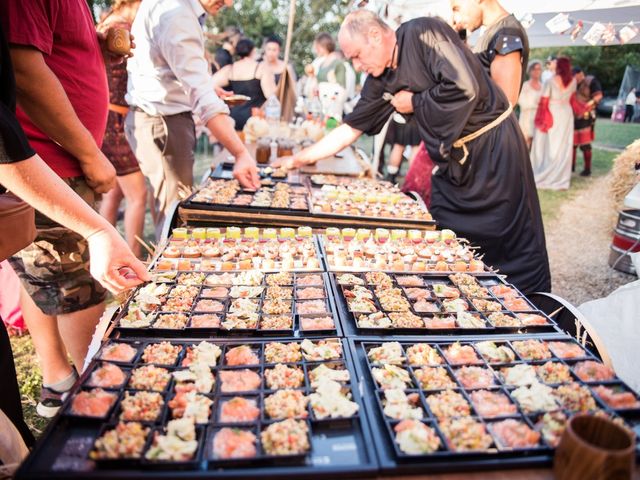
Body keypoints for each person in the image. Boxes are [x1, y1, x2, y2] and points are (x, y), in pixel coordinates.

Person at [276, 10, 550, 294]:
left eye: (357, 55)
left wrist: (416, 101)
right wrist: (299, 159)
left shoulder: (423, 33)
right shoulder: (379, 78)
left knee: (505, 237)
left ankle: (523, 302)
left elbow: (465, 87)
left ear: (375, 35)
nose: (357, 66)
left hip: (494, 151)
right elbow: (351, 128)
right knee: (448, 235)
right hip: (454, 162)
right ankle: (462, 302)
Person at [0, 20, 147, 446]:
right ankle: (98, 401)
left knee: (40, 272)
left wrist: (90, 51)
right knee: (75, 284)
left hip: (49, 160)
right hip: (47, 163)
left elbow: (43, 54)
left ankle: (59, 381)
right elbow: (23, 67)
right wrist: (87, 151)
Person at [126, 0, 260, 236]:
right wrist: (240, 154)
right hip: (164, 123)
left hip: (162, 119)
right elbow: (203, 100)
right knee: (173, 220)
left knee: (167, 212)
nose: (228, 3)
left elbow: (173, 70)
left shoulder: (175, 8)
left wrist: (208, 87)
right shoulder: (176, 13)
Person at [97, 0, 147, 258]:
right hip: (114, 122)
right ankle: (134, 258)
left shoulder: (108, 23)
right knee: (138, 195)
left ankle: (107, 255)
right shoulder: (121, 29)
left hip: (105, 119)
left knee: (114, 194)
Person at [451, 0, 529, 105]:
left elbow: (504, 102)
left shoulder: (507, 32)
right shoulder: (495, 32)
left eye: (457, 9)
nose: (456, 18)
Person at [530, 57, 576, 190]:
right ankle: (562, 177)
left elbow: (544, 99)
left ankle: (548, 172)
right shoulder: (573, 81)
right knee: (564, 145)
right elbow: (572, 98)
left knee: (551, 144)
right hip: (566, 113)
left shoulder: (550, 81)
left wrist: (540, 117)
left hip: (552, 111)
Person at [213, 38, 277, 131]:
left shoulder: (230, 69)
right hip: (255, 121)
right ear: (253, 51)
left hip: (233, 118)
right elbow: (271, 97)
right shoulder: (261, 68)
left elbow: (209, 85)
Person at [572, 67, 603, 177]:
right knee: (572, 143)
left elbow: (598, 96)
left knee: (585, 143)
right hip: (574, 116)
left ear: (580, 74)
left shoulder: (591, 80)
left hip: (587, 116)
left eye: (575, 76)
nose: (574, 79)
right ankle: (571, 166)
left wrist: (586, 106)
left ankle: (587, 169)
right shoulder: (573, 83)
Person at [382, 116, 421, 183]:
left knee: (398, 146)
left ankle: (391, 177)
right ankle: (413, 179)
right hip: (417, 120)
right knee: (415, 148)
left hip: (400, 117)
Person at [518, 60, 543, 149]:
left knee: (537, 146)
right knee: (525, 145)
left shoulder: (543, 86)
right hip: (527, 119)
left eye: (539, 69)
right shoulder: (525, 86)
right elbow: (522, 103)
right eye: (535, 69)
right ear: (530, 71)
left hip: (539, 119)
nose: (537, 72)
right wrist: (537, 104)